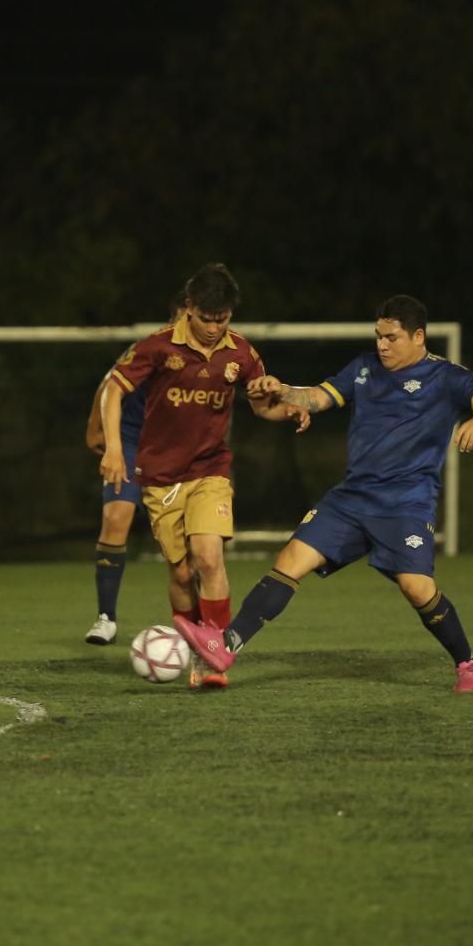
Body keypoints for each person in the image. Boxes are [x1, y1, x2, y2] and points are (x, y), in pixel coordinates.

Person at [172, 294, 473, 693]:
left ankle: (467, 664)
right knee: (290, 560)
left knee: (417, 588)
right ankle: (226, 646)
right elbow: (317, 396)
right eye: (378, 336)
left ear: (418, 336)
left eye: (392, 338)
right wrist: (280, 390)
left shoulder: (448, 376)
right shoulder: (365, 368)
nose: (382, 345)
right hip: (351, 498)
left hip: (406, 501)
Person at [98, 263, 309, 689]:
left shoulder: (242, 354)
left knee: (209, 558)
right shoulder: (157, 347)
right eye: (207, 318)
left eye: (223, 319)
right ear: (189, 309)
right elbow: (113, 390)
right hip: (159, 476)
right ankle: (196, 651)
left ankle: (215, 659)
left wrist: (286, 404)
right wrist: (116, 448)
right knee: (180, 574)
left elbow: (261, 406)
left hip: (211, 469)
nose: (215, 328)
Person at [81, 294, 186, 645]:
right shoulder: (150, 347)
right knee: (116, 518)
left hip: (174, 450)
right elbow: (110, 383)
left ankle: (194, 625)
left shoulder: (214, 355)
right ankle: (106, 618)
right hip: (130, 442)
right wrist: (97, 428)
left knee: (190, 544)